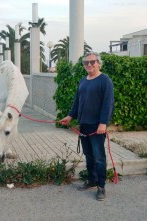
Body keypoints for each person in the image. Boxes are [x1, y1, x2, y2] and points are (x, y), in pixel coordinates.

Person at [60, 52, 114, 201]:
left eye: (92, 62)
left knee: (99, 158)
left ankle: (101, 186)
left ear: (98, 63)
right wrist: (70, 116)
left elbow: (108, 103)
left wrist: (103, 123)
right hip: (84, 125)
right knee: (89, 156)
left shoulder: (105, 81)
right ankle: (91, 180)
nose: (89, 65)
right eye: (86, 63)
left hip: (97, 127)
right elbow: (77, 101)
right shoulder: (83, 80)